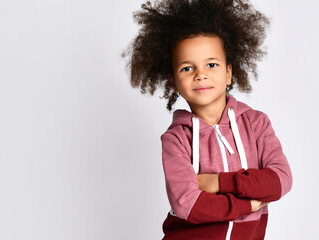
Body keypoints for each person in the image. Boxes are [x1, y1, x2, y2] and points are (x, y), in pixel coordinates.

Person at [122, 0, 293, 239]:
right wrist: (247, 205)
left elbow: (280, 181)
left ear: (228, 72)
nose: (201, 74)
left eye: (211, 64)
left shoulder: (256, 124)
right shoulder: (176, 139)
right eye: (187, 68)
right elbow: (188, 204)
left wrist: (217, 183)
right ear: (173, 82)